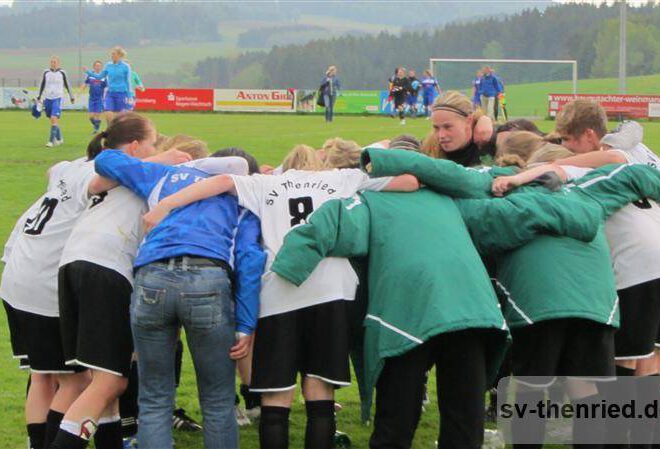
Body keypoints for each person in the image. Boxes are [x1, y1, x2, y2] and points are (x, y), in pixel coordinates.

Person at [141, 142, 419, 449]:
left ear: (286, 165)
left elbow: (219, 182)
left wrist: (166, 205)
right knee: (320, 390)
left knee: (276, 395)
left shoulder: (266, 183)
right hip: (330, 289)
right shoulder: (341, 179)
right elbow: (408, 182)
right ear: (319, 163)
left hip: (278, 290)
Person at [93, 136, 265, 449]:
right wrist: (245, 324)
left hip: (151, 277)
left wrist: (166, 160)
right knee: (217, 400)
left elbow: (106, 159)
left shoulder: (165, 177)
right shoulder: (246, 197)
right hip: (208, 279)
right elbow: (250, 262)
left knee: (155, 398)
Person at [430, 90, 496, 166]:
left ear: (469, 120)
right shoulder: (428, 150)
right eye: (436, 128)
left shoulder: (494, 142)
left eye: (447, 127)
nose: (441, 135)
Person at [85, 46, 132, 122]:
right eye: (111, 54)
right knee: (108, 114)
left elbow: (128, 81)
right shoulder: (108, 65)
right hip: (110, 93)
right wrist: (88, 72)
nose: (112, 56)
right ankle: (110, 131)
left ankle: (118, 131)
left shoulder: (126, 66)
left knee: (119, 117)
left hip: (121, 93)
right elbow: (99, 76)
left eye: (114, 54)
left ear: (119, 55)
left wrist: (129, 96)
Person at [37, 55, 75, 148]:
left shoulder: (62, 73)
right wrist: (39, 96)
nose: (53, 64)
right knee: (52, 119)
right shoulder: (46, 72)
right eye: (52, 62)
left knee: (54, 118)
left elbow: (67, 85)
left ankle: (51, 141)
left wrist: (71, 96)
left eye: (55, 62)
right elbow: (42, 84)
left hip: (58, 98)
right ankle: (59, 138)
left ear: (58, 63)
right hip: (48, 98)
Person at [80, 60, 107, 134]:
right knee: (91, 116)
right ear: (94, 67)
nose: (98, 67)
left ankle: (96, 129)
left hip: (99, 98)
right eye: (96, 66)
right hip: (91, 98)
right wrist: (81, 90)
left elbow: (106, 87)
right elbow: (85, 83)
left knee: (97, 114)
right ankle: (97, 125)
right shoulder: (90, 75)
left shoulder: (103, 77)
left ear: (101, 67)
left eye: (99, 66)